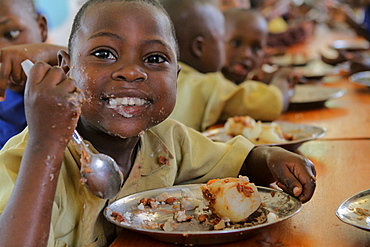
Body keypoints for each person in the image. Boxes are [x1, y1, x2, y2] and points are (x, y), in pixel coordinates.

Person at [0, 0, 316, 246]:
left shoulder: (169, 141)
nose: (131, 72)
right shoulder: (26, 155)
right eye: (104, 53)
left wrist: (271, 158)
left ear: (177, 76)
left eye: (154, 59)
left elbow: (237, 163)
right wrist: (46, 143)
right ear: (67, 69)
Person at [160, 0, 291, 132]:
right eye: (221, 40)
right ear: (199, 48)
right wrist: (281, 79)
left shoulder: (163, 78)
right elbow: (272, 103)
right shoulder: (209, 85)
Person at [0, 0, 66, 148]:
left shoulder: (74, 80)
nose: (3, 51)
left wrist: (49, 52)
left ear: (41, 28)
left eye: (12, 34)